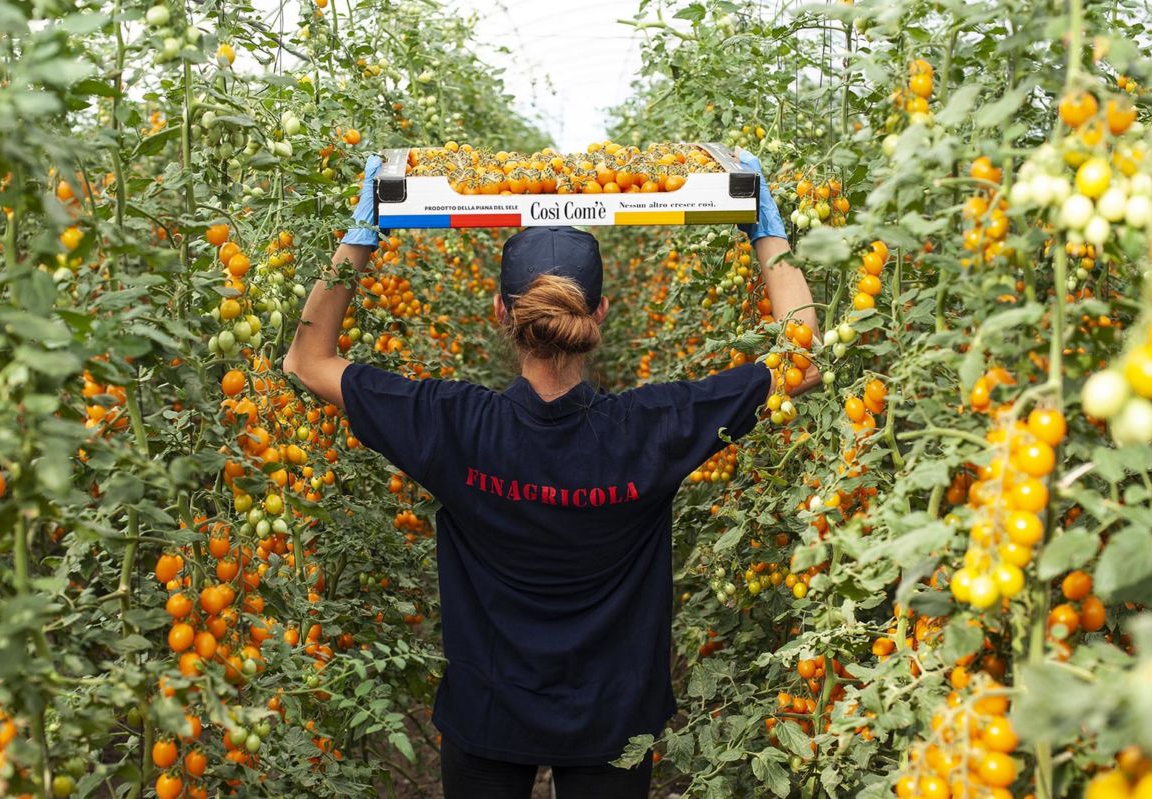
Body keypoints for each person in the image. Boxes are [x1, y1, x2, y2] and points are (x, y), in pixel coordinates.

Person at [282, 149, 819, 799]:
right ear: (600, 314)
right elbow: (802, 362)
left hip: (488, 710)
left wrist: (361, 233)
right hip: (613, 719)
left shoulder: (455, 425)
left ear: (500, 314)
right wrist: (766, 227)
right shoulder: (652, 427)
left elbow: (308, 360)